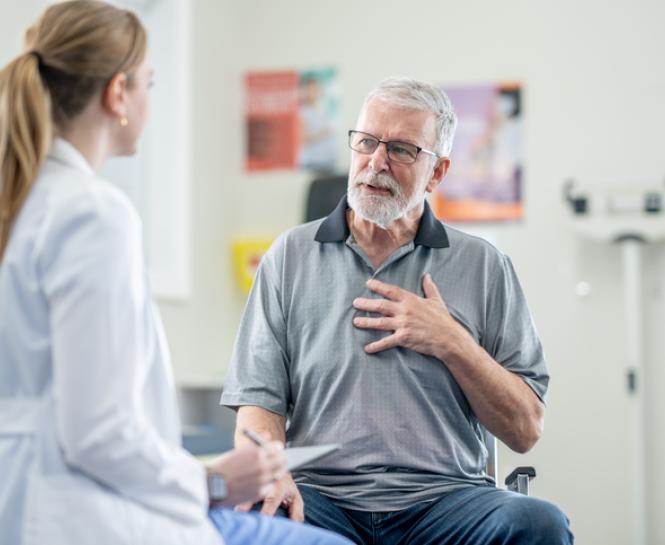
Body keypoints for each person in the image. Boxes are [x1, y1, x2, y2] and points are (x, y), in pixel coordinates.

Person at [0, 2, 352, 545]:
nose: (149, 98)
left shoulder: (19, 204)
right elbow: (96, 434)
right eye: (149, 83)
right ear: (118, 95)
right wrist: (209, 480)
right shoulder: (93, 213)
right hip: (79, 513)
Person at [221, 77, 574, 544]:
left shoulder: (484, 265)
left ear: (437, 172)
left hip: (446, 501)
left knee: (540, 524)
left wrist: (452, 342)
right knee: (248, 528)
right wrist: (269, 473)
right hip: (321, 498)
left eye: (402, 150)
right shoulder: (289, 257)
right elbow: (258, 403)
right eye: (367, 142)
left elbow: (525, 428)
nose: (376, 162)